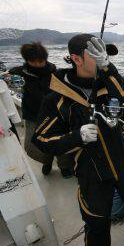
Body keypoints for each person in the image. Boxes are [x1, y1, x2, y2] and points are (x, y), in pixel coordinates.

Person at [32, 34, 124, 246]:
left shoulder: (110, 80)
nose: (104, 58)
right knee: (96, 217)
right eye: (97, 54)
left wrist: (107, 68)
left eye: (106, 54)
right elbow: (41, 139)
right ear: (76, 59)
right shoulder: (58, 98)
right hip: (91, 171)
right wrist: (76, 137)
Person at [8, 42, 73, 178]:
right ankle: (47, 162)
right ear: (27, 60)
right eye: (34, 62)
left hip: (55, 115)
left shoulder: (54, 72)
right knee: (37, 144)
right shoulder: (19, 73)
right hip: (33, 115)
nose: (38, 64)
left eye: (41, 61)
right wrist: (8, 78)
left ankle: (64, 167)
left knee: (61, 141)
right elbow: (7, 80)